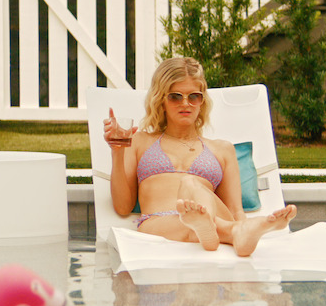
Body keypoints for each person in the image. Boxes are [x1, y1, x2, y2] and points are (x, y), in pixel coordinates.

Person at [103, 57, 296, 257]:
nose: (185, 104)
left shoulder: (223, 149)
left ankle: (215, 228)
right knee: (191, 214)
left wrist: (241, 222)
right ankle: (229, 232)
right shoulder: (140, 141)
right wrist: (117, 151)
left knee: (191, 184)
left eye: (193, 96)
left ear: (202, 100)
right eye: (175, 96)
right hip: (159, 222)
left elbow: (235, 210)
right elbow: (123, 207)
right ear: (161, 99)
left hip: (208, 216)